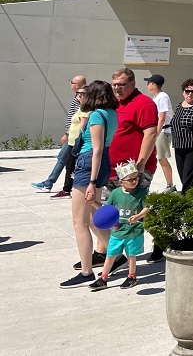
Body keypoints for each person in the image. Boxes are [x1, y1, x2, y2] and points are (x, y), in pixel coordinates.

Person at [60, 81, 119, 287]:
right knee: (94, 219)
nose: (82, 96)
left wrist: (92, 182)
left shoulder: (96, 115)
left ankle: (86, 272)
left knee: (80, 222)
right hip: (101, 164)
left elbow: (96, 149)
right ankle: (117, 253)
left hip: (89, 165)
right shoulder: (111, 113)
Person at [108, 67, 160, 261]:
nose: (117, 89)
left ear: (132, 83)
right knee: (113, 212)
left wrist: (141, 165)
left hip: (134, 170)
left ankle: (161, 239)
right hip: (112, 169)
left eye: (122, 85)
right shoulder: (114, 103)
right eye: (114, 85)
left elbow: (150, 134)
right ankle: (111, 253)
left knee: (139, 209)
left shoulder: (143, 103)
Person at [90, 159, 148, 291]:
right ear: (121, 181)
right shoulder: (116, 194)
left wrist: (138, 216)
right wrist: (92, 202)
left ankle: (132, 276)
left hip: (134, 231)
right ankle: (103, 278)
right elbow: (106, 209)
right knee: (110, 255)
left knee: (131, 255)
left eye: (136, 178)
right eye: (130, 179)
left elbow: (147, 207)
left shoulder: (142, 193)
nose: (134, 181)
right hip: (117, 231)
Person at [33, 74, 87, 195]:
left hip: (74, 137)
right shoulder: (77, 97)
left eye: (72, 82)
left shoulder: (81, 99)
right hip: (71, 136)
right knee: (63, 160)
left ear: (77, 85)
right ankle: (52, 184)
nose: (70, 84)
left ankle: (52, 184)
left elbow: (79, 121)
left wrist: (66, 134)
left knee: (65, 161)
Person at [145, 74, 177, 192]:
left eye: (149, 83)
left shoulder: (162, 97)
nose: (147, 86)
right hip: (159, 131)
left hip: (163, 131)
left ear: (153, 85)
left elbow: (162, 118)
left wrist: (156, 134)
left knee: (162, 158)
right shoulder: (157, 97)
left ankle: (170, 185)